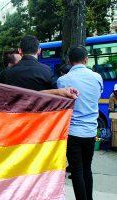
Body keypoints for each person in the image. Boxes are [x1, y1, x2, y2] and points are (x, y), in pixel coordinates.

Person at [57, 45, 103, 200]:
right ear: (86, 59)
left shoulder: (62, 80)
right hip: (90, 131)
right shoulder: (97, 77)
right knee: (87, 169)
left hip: (72, 132)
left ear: (69, 61)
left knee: (76, 170)